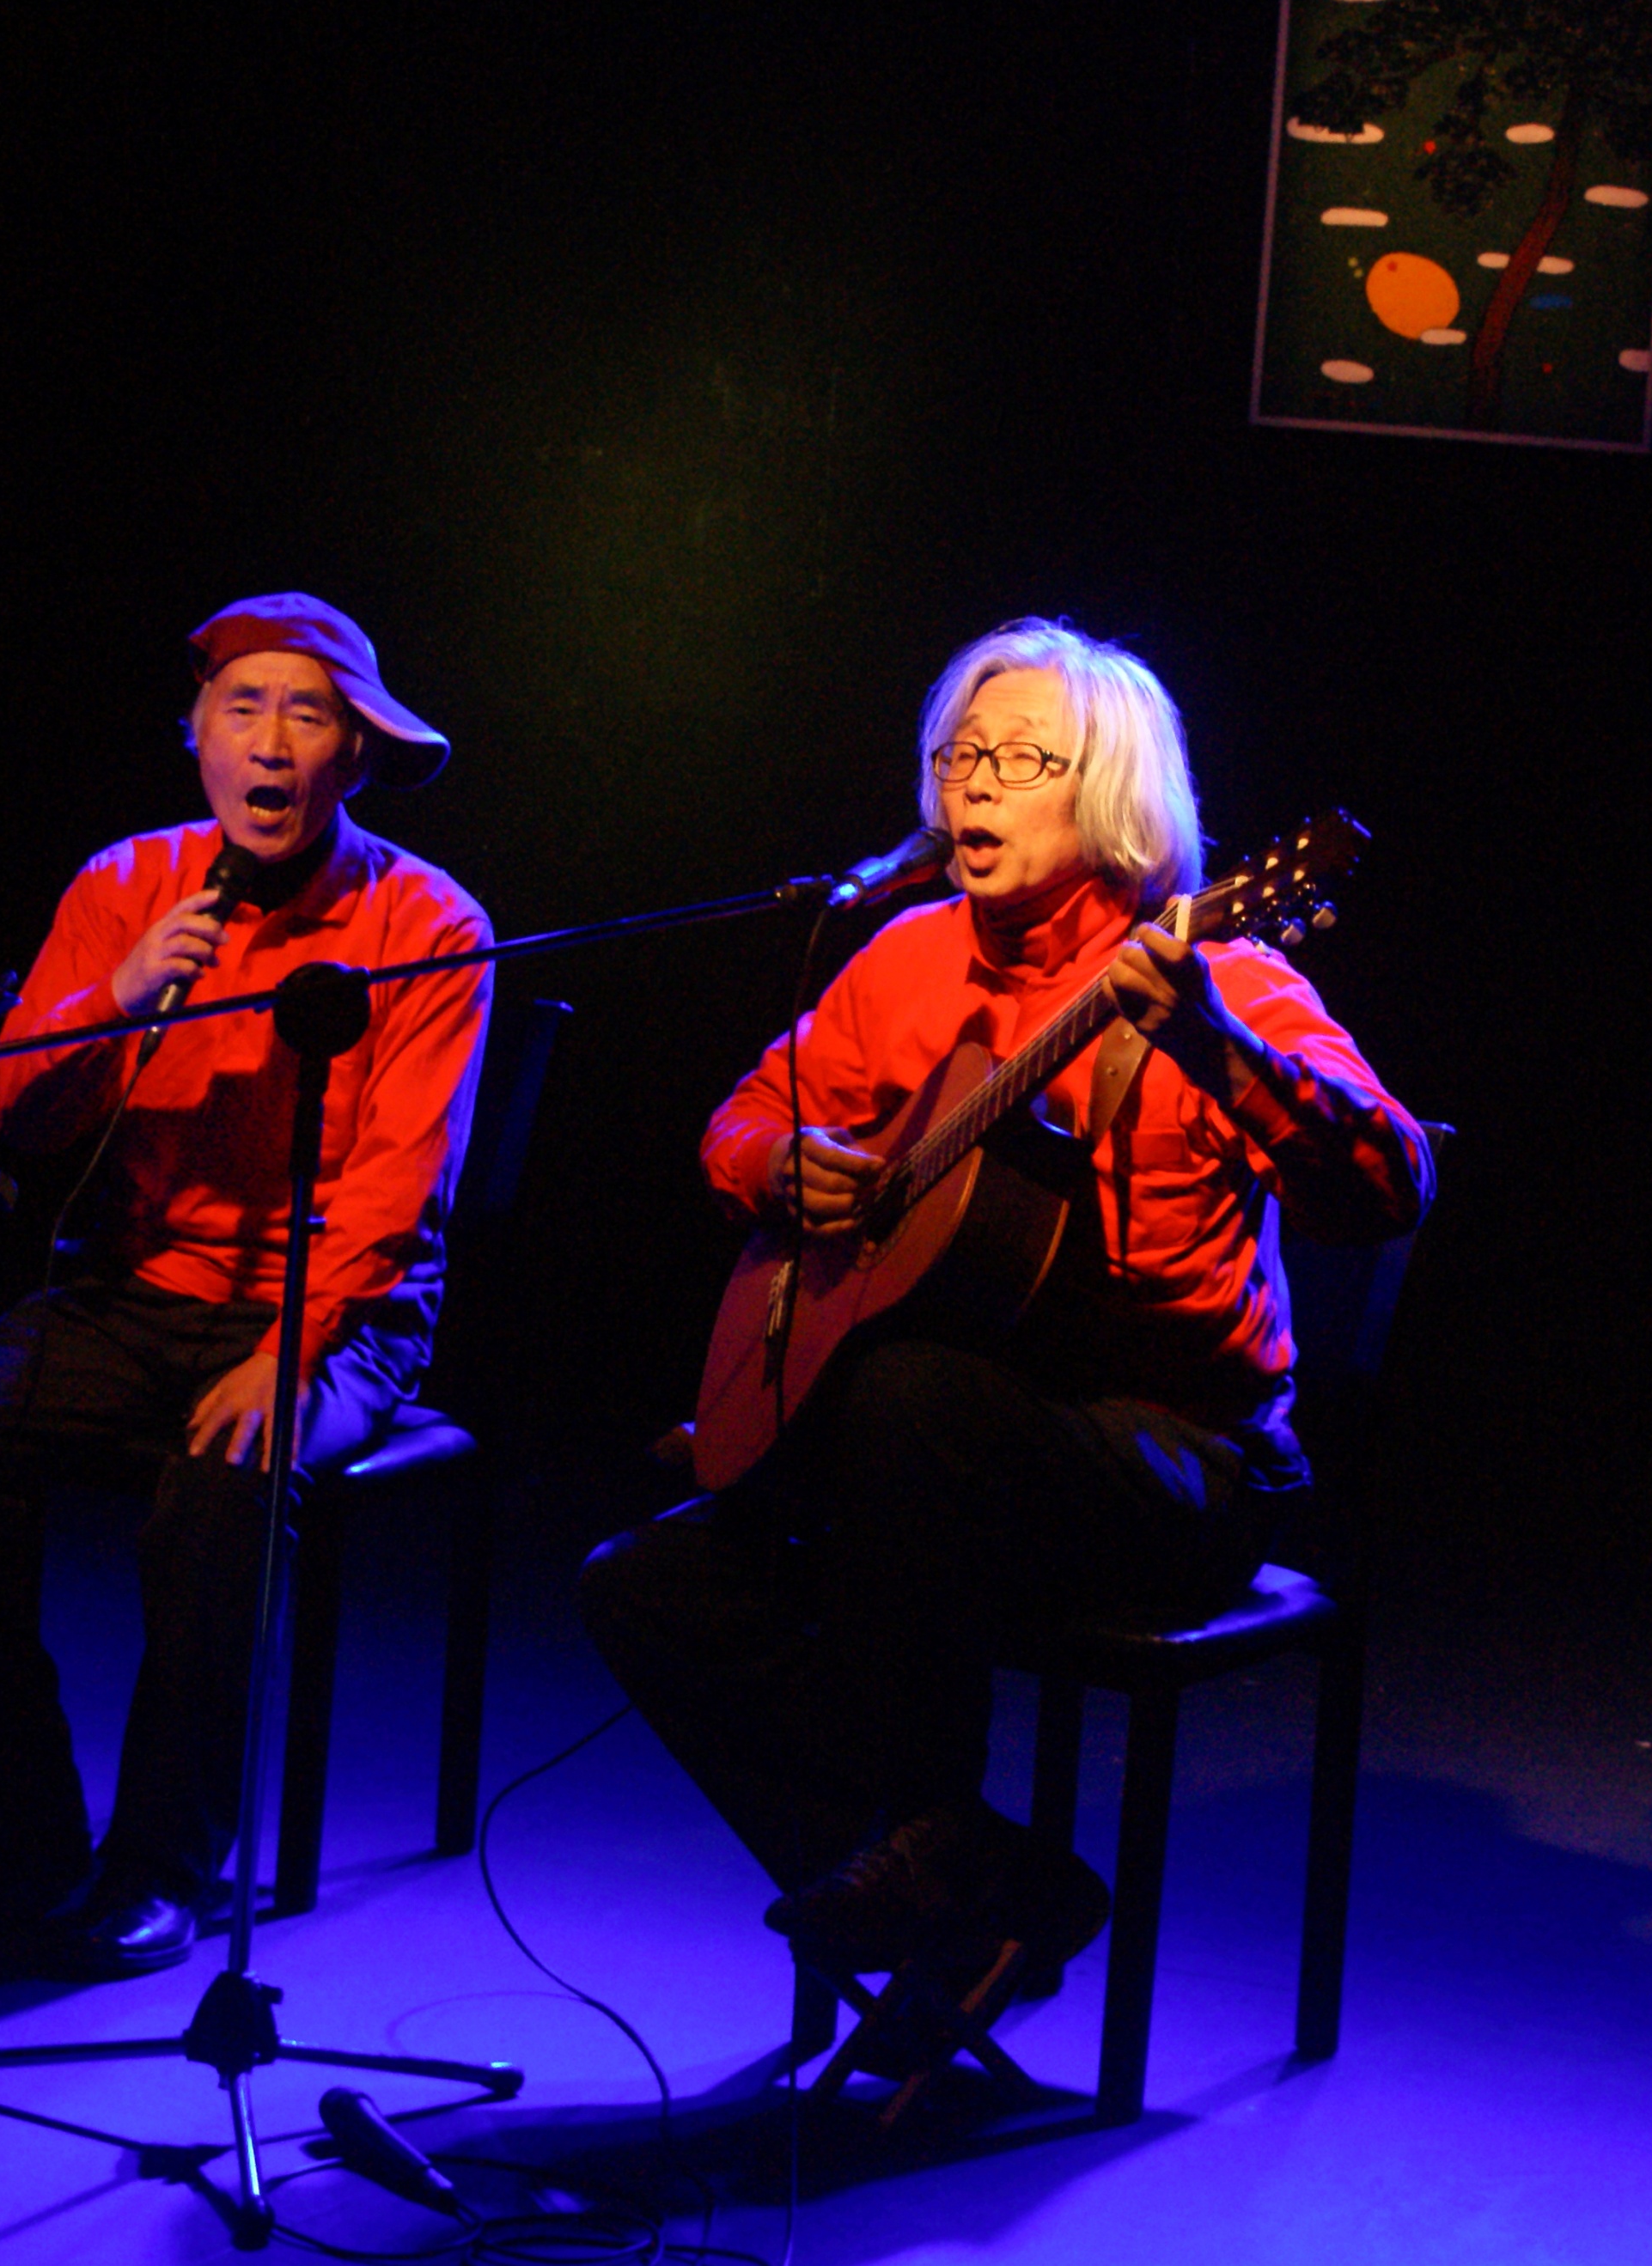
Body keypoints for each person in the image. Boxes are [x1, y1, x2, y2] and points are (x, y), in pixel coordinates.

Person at [580, 618, 1429, 2019]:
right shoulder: (904, 959)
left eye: (1018, 758)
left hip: (1180, 1465)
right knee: (645, 1578)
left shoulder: (1229, 974)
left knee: (907, 1394)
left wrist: (1219, 1048)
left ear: (1110, 788)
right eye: (955, 754)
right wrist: (773, 1164)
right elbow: (742, 1114)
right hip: (941, 1474)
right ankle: (978, 1891)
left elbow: (1391, 1184)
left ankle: (937, 1881)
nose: (971, 782)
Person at [0, 592, 491, 1977]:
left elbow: (397, 1189)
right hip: (132, 1287)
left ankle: (163, 1862)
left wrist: (288, 1350)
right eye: (242, 709)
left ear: (355, 753)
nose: (270, 744)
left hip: (335, 1313)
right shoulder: (124, 885)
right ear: (196, 736)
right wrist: (118, 996)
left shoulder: (429, 921)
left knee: (222, 1486)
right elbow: (18, 1119)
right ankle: (8, 1824)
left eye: (306, 715)